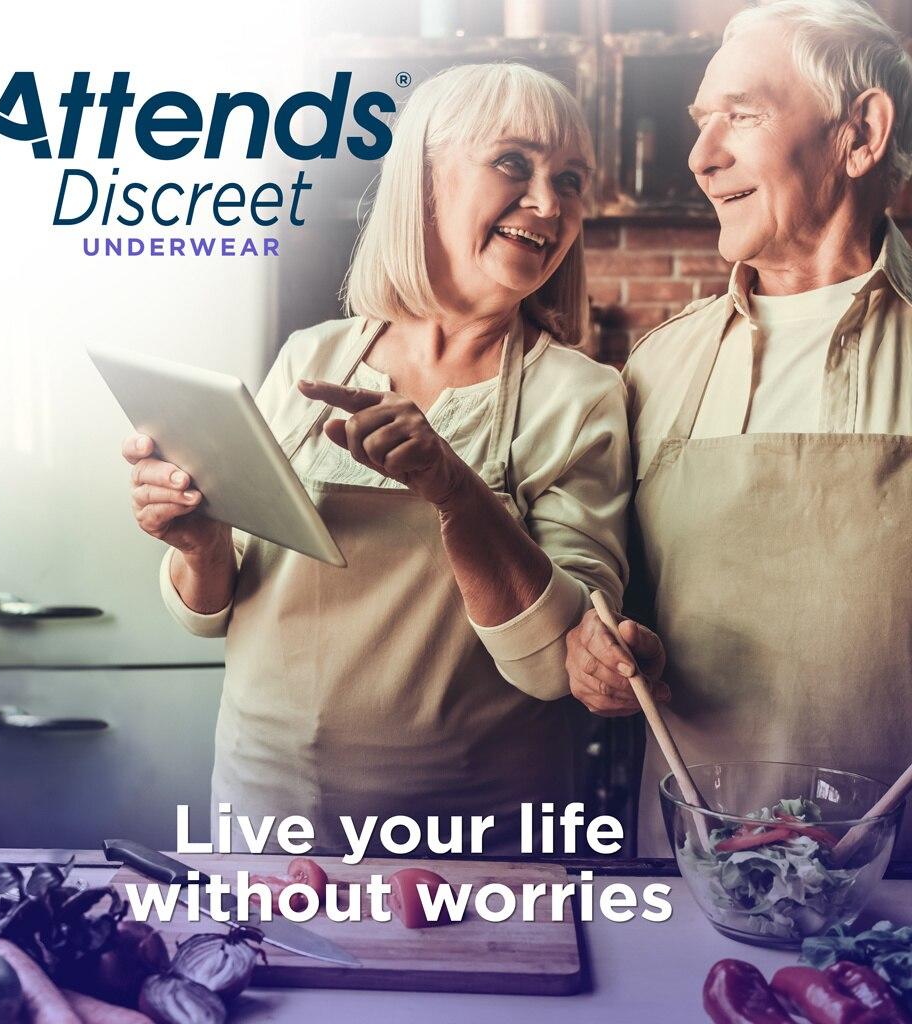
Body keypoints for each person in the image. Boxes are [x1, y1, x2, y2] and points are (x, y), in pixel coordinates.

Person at [123, 63, 633, 854]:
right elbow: (216, 608)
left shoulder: (580, 396)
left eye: (569, 179)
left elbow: (560, 663)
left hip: (475, 834)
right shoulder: (310, 355)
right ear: (423, 180)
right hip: (263, 810)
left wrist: (455, 490)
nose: (550, 202)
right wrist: (199, 541)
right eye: (513, 164)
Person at [566, 0, 912, 858]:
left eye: (741, 115)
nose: (701, 154)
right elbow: (612, 604)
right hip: (694, 881)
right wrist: (599, 655)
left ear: (860, 133)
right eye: (700, 121)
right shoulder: (657, 369)